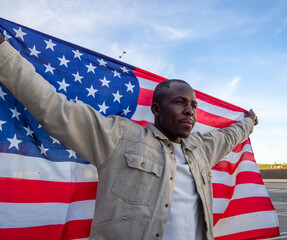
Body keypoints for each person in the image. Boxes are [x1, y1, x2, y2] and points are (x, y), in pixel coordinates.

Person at [0, 34, 257, 240]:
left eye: (193, 105)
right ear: (156, 109)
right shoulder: (120, 137)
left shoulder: (201, 149)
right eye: (180, 102)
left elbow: (229, 136)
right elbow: (54, 107)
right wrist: (4, 54)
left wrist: (248, 122)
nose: (190, 110)